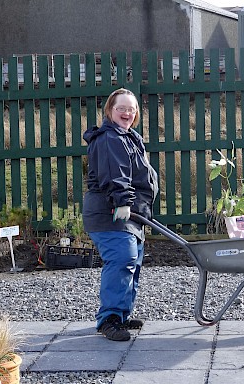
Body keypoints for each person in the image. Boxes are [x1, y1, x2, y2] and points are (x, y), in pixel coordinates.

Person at [82, 88, 158, 341]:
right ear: (110, 111)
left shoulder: (129, 137)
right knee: (122, 259)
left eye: (131, 109)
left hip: (129, 213)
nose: (127, 113)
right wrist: (123, 202)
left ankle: (121, 314)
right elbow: (115, 173)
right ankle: (110, 319)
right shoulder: (110, 138)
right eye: (121, 108)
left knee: (132, 262)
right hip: (111, 212)